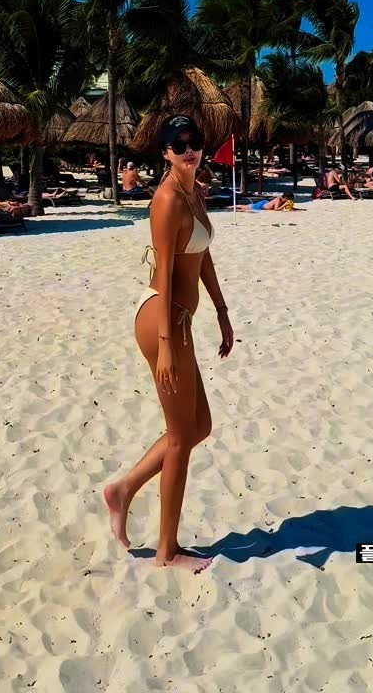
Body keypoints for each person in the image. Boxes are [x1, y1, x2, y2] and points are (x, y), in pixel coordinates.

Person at [103, 115, 234, 571]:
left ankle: (122, 490)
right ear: (164, 153)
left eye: (194, 141)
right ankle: (167, 551)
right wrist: (165, 345)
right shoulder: (166, 200)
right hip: (162, 320)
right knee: (181, 436)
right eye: (178, 144)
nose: (188, 149)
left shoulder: (194, 191)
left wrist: (221, 311)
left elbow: (202, 255)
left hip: (180, 322)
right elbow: (163, 275)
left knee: (200, 426)